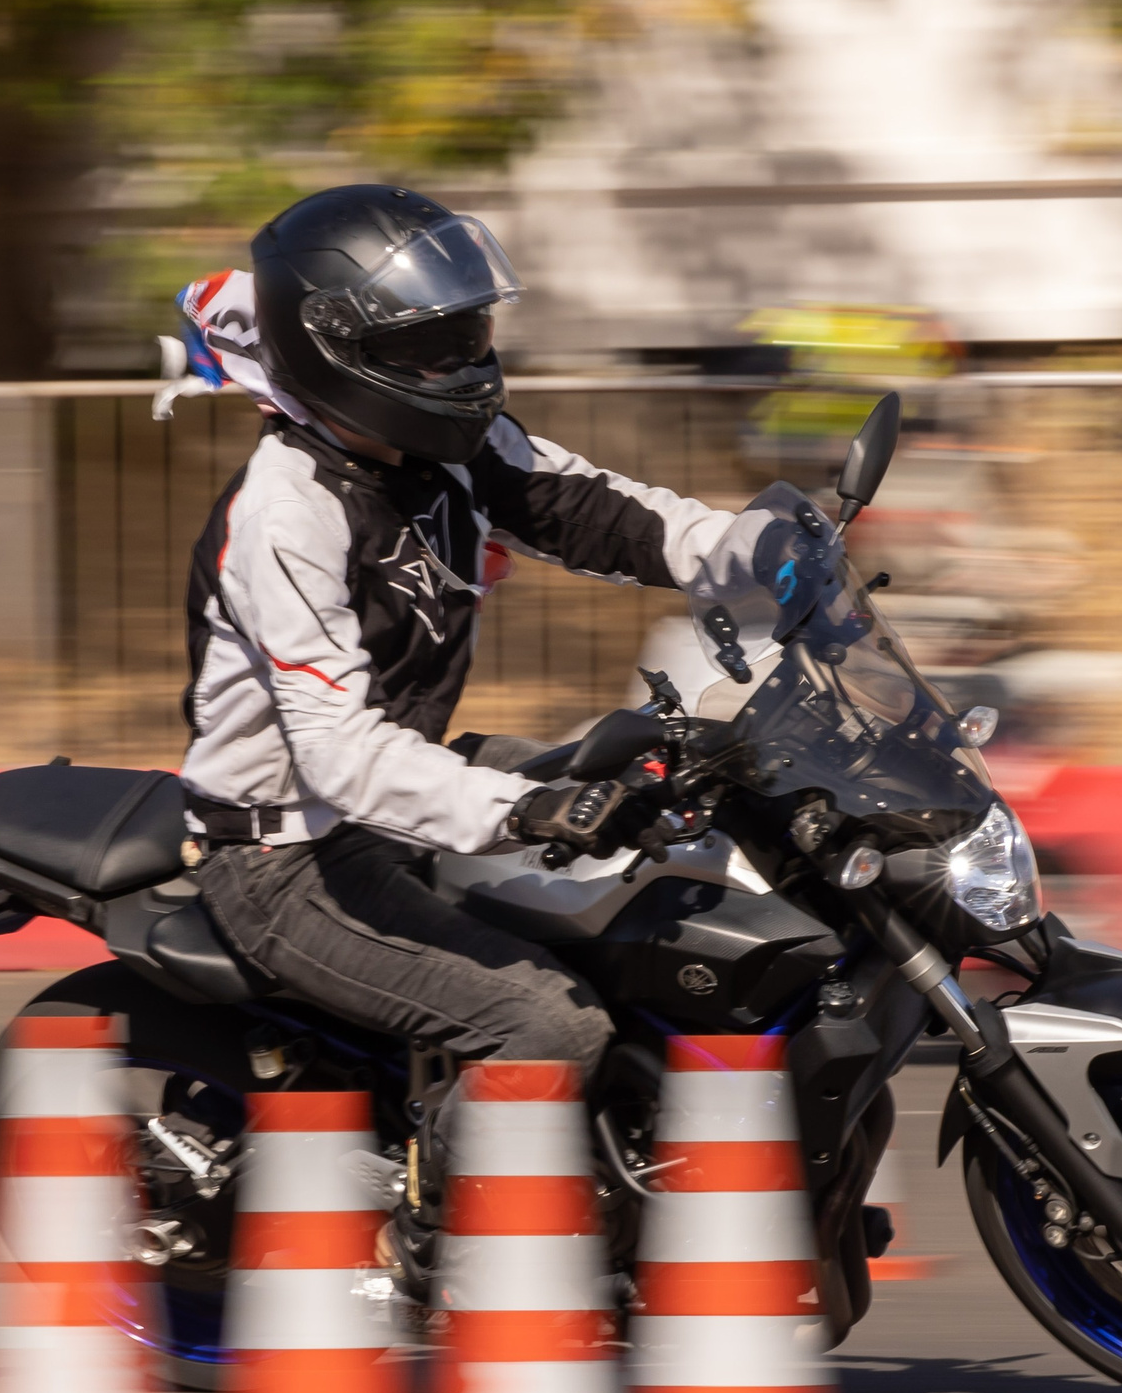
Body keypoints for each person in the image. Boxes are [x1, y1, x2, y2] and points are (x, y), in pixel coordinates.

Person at [166, 184, 740, 1078]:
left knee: (688, 820)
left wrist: (760, 551)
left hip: (405, 792)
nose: (464, 367)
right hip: (285, 850)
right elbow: (338, 753)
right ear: (336, 353)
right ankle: (429, 1221)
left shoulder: (449, 454)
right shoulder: (287, 512)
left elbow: (602, 514)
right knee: (548, 1028)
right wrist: (522, 808)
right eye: (428, 348)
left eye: (468, 336)